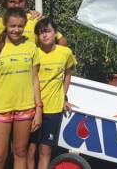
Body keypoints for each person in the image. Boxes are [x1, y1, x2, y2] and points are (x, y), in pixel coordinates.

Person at [0, 7, 42, 169]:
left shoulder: (31, 48)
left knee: (20, 152)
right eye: (12, 26)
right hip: (0, 109)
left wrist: (38, 110)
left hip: (26, 108)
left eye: (20, 26)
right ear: (5, 25)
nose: (16, 30)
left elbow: (35, 80)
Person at [27, 18, 76, 169]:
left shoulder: (65, 52)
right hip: (33, 108)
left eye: (47, 31)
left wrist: (63, 97)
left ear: (55, 33)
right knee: (29, 150)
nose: (44, 35)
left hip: (53, 110)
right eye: (41, 33)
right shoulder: (33, 53)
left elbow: (68, 74)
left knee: (45, 150)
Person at [0, 0, 68, 46]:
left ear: (26, 2)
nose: (17, 6)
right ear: (5, 3)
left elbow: (61, 41)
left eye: (20, 1)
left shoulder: (35, 20)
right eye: (12, 2)